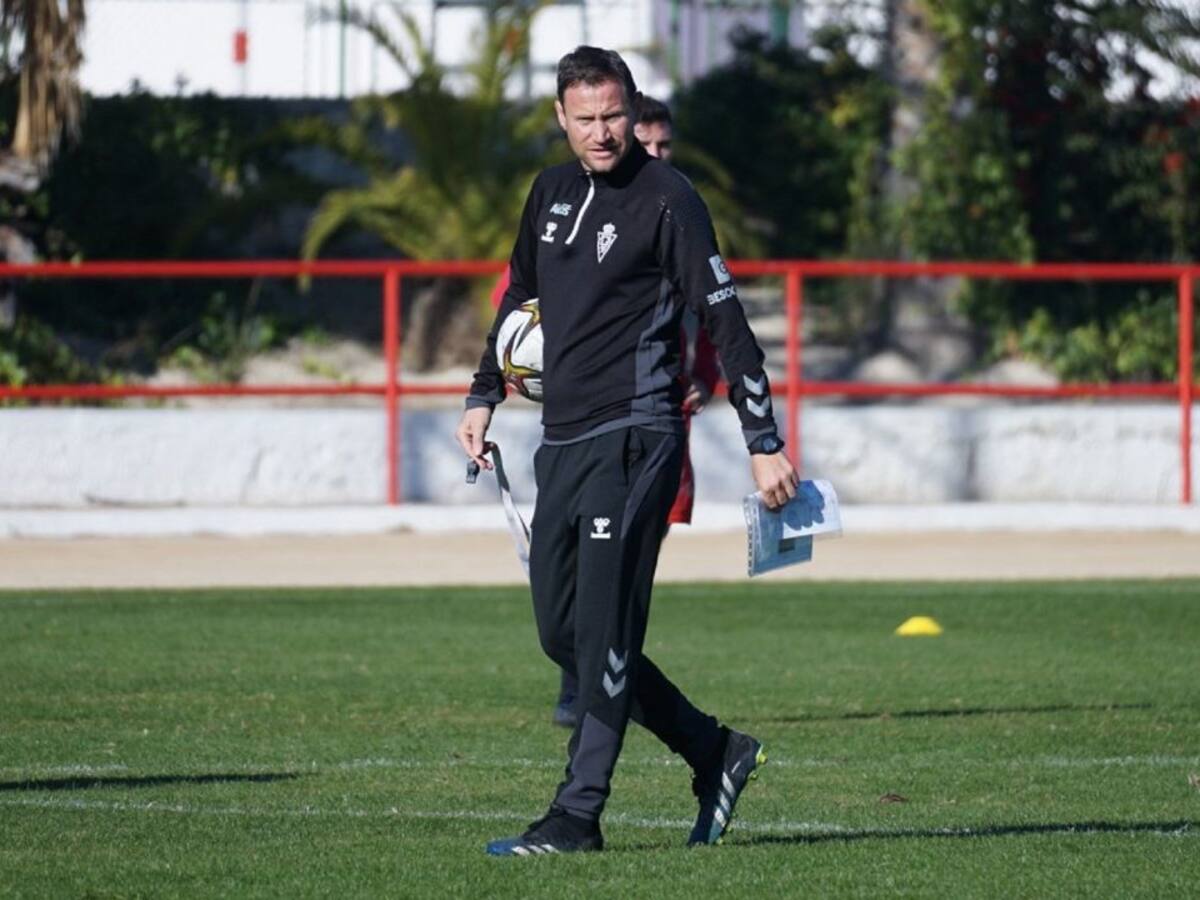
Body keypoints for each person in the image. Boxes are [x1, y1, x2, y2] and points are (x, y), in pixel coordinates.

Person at [456, 46, 798, 856]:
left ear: (633, 108)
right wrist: (482, 392)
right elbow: (519, 298)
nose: (602, 132)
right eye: (586, 118)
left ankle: (577, 815)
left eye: (614, 115)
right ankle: (713, 749)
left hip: (639, 437)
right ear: (561, 118)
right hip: (562, 440)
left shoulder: (669, 198)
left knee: (605, 628)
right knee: (562, 634)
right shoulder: (548, 193)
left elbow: (725, 320)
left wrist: (763, 441)